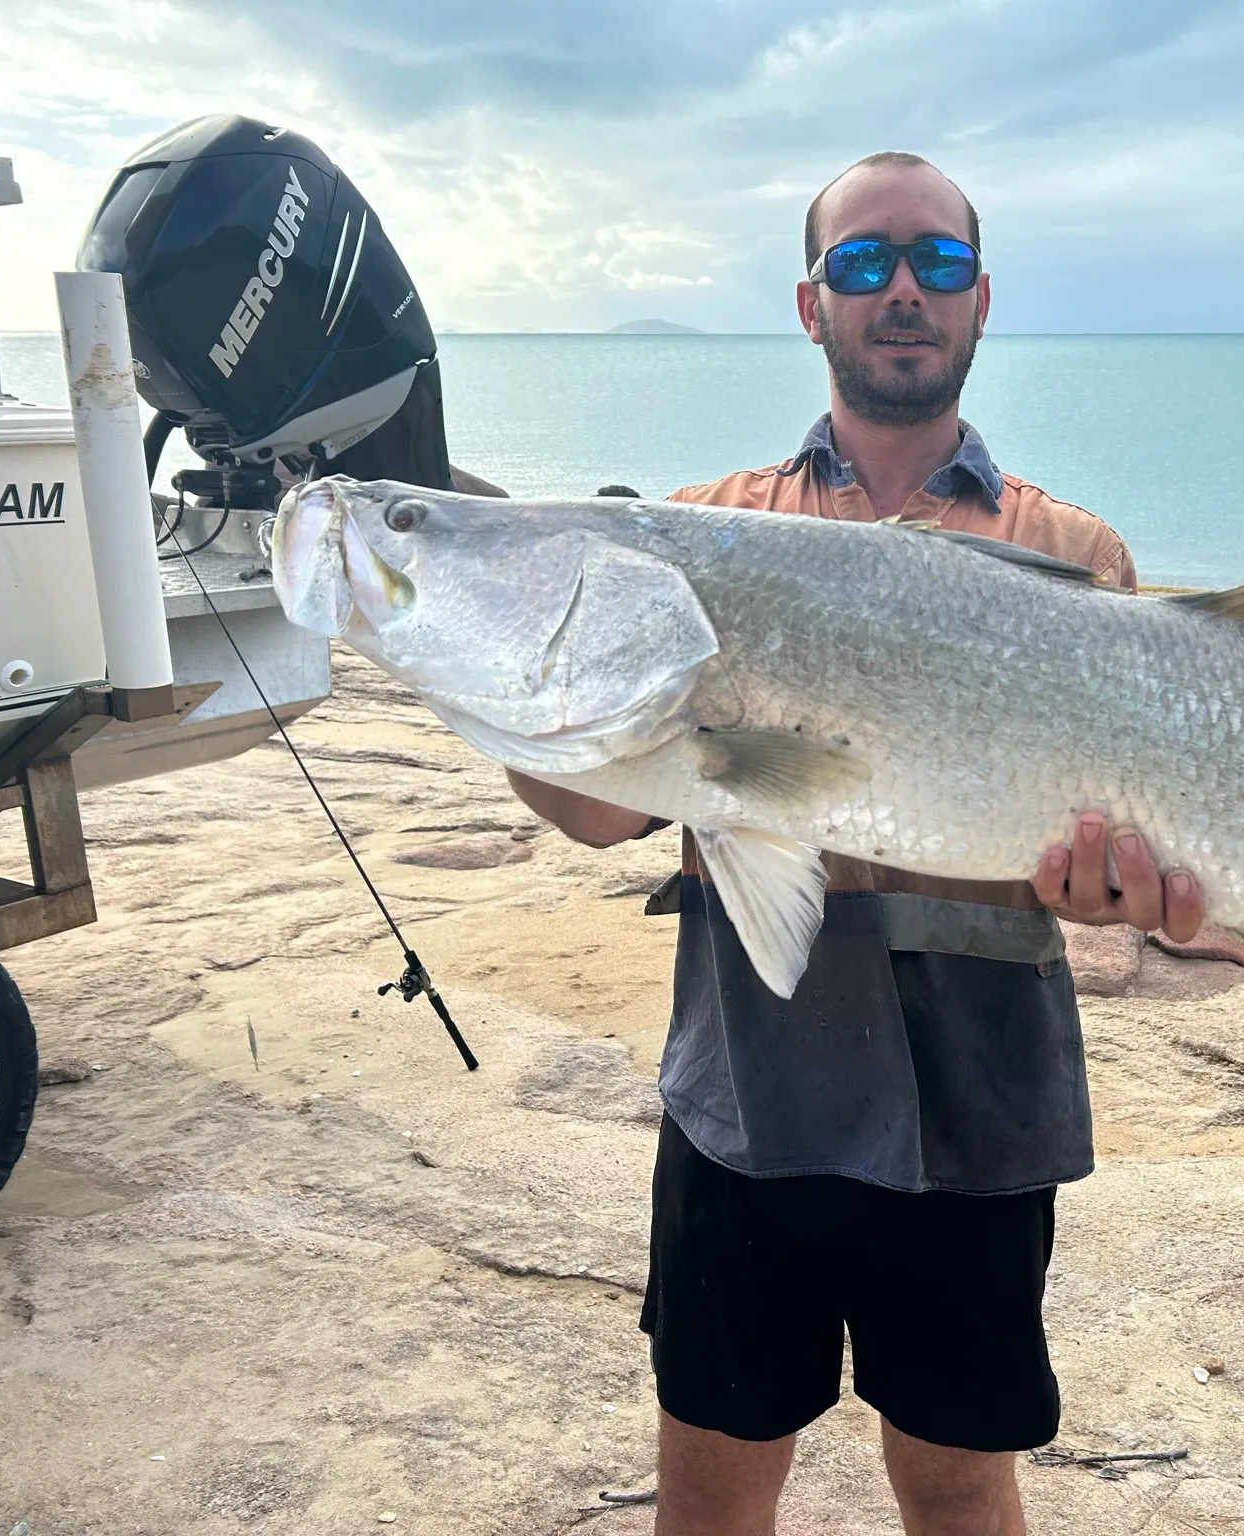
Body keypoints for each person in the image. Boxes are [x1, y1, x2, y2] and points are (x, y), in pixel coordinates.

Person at [508, 152, 1204, 1536]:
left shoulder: (1069, 552)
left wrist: (1139, 895)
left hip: (977, 1109)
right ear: (809, 300)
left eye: (936, 263)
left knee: (957, 1483)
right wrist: (512, 678)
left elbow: (1128, 863)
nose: (901, 290)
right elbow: (601, 810)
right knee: (711, 1474)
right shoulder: (714, 533)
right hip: (745, 1098)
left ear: (982, 300)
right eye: (863, 262)